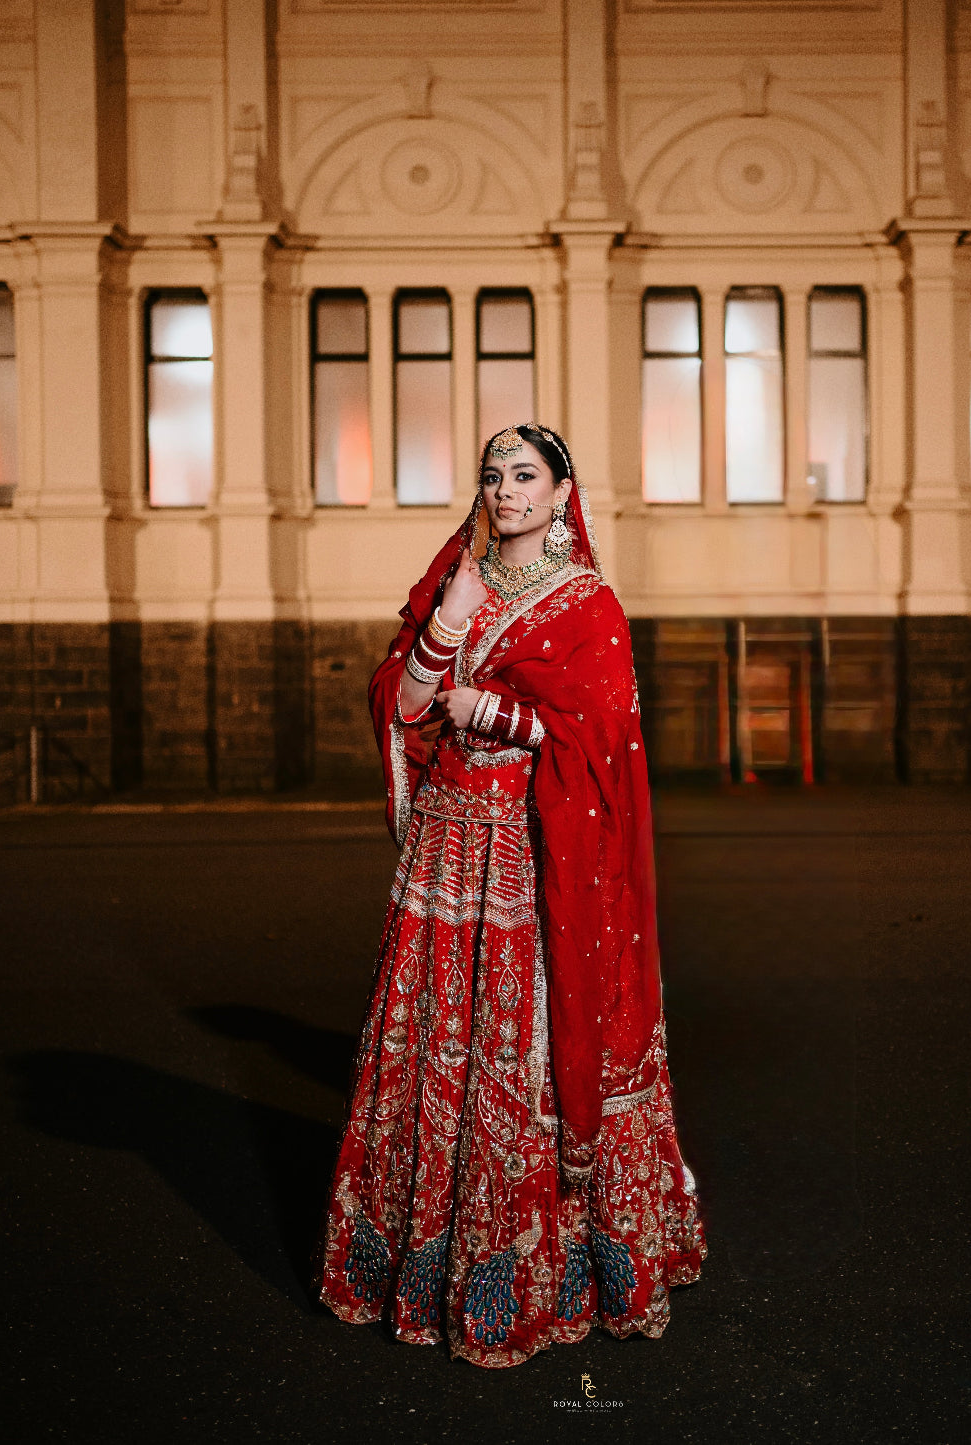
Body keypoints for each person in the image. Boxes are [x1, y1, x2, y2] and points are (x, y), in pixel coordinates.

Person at [319, 423, 706, 1368]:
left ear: (563, 491)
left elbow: (603, 742)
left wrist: (493, 710)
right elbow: (403, 705)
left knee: (513, 1046)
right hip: (445, 855)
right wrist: (447, 622)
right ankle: (421, 1260)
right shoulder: (459, 578)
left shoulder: (588, 606)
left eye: (525, 475)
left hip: (530, 854)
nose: (505, 490)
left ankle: (542, 1265)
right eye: (494, 475)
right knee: (431, 1040)